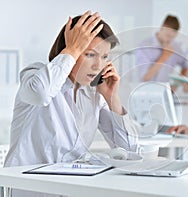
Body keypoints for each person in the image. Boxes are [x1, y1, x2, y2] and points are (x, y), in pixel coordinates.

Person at [4, 11, 138, 196]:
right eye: (90, 54)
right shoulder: (36, 75)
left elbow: (130, 151)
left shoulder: (93, 94)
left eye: (105, 56)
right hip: (30, 191)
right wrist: (72, 49)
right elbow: (40, 94)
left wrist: (112, 98)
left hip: (68, 190)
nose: (98, 65)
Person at [135, 15, 188, 82]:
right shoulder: (144, 47)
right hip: (148, 90)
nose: (169, 39)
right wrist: (165, 56)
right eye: (168, 35)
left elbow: (186, 66)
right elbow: (144, 77)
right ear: (162, 28)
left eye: (173, 37)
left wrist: (176, 85)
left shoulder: (175, 46)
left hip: (167, 89)